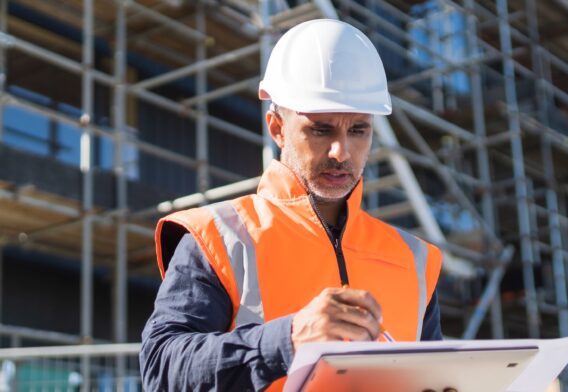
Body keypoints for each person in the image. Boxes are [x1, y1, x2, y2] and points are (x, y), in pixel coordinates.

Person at [139, 19, 443, 391]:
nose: (341, 151)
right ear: (277, 128)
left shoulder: (415, 261)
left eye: (359, 130)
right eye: (321, 129)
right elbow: (162, 369)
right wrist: (290, 338)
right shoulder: (217, 236)